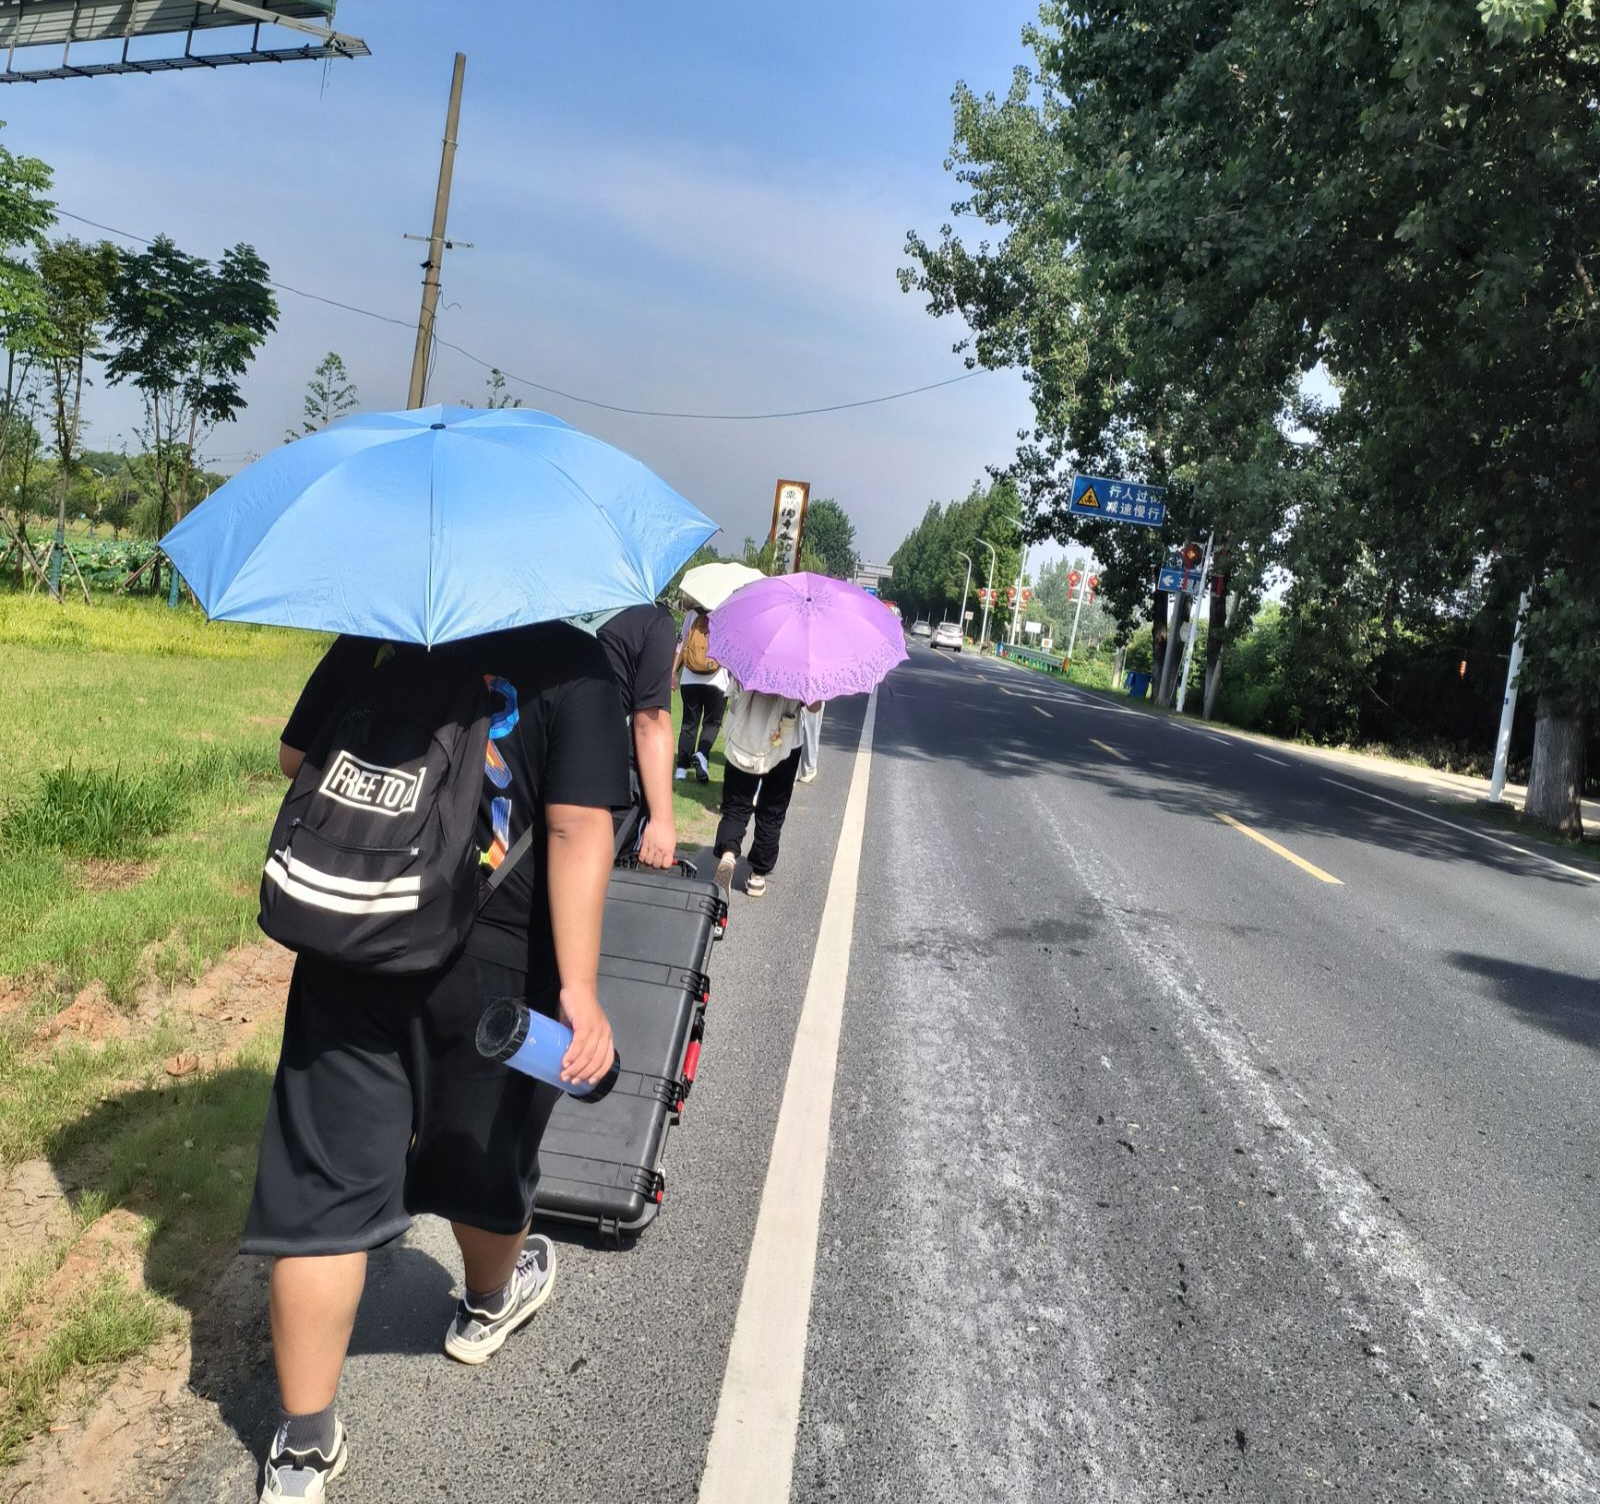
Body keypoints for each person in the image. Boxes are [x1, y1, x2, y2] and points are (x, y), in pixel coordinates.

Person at [245, 625, 627, 1502]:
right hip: (495, 962)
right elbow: (575, 827)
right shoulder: (574, 665)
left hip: (354, 940)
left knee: (320, 1189)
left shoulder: (379, 632)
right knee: (480, 1154)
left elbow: (295, 757)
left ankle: (301, 1446)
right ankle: (488, 1302)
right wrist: (579, 989)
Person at [579, 602, 680, 868]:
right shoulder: (653, 618)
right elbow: (650, 724)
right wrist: (662, 820)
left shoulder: (549, 604)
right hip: (611, 794)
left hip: (536, 783)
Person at [713, 682, 821, 899]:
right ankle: (758, 875)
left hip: (746, 735)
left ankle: (728, 856)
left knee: (736, 804)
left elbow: (735, 682)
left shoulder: (753, 660)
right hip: (786, 740)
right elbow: (814, 707)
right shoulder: (806, 666)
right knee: (773, 810)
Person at [673, 604, 729, 783]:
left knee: (689, 723)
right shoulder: (726, 612)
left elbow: (681, 644)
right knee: (712, 723)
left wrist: (673, 672)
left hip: (689, 679)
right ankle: (702, 755)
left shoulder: (692, 614)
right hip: (717, 680)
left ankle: (681, 769)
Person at [797, 703, 823, 784]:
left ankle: (809, 769)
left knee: (811, 730)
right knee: (791, 726)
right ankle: (792, 771)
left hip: (813, 697)